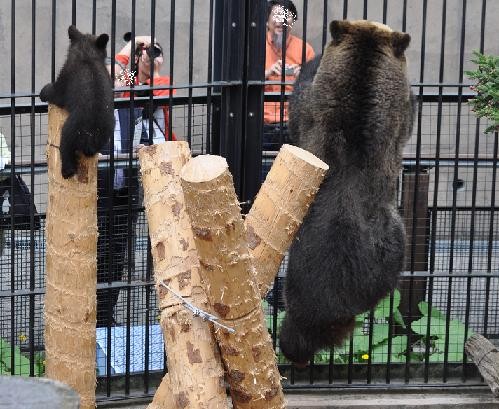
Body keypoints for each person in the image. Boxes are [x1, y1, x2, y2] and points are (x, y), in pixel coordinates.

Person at [97, 35, 175, 327]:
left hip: (125, 191)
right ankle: (90, 316)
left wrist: (150, 64)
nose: (146, 55)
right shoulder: (112, 91)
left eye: (153, 52)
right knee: (95, 253)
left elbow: (160, 92)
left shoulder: (145, 92)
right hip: (99, 190)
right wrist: (131, 49)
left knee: (116, 256)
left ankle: (105, 316)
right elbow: (113, 78)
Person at [263, 0, 315, 153]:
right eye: (277, 15)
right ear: (267, 20)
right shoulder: (256, 45)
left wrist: (302, 78)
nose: (281, 20)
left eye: (287, 16)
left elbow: (315, 86)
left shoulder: (305, 49)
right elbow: (243, 81)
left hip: (294, 124)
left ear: (293, 21)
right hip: (262, 123)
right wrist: (267, 74)